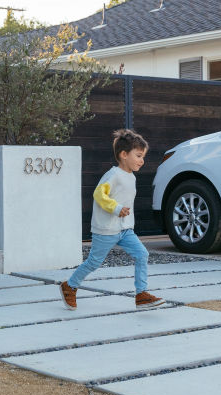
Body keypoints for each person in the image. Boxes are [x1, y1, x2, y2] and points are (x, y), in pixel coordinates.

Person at [58, 129, 164, 310]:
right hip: (106, 229)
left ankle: (141, 295)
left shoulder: (131, 177)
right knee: (93, 262)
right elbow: (99, 194)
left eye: (143, 156)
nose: (142, 160)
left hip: (125, 230)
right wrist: (116, 209)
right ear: (124, 155)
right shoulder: (113, 175)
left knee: (142, 254)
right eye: (138, 155)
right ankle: (70, 286)